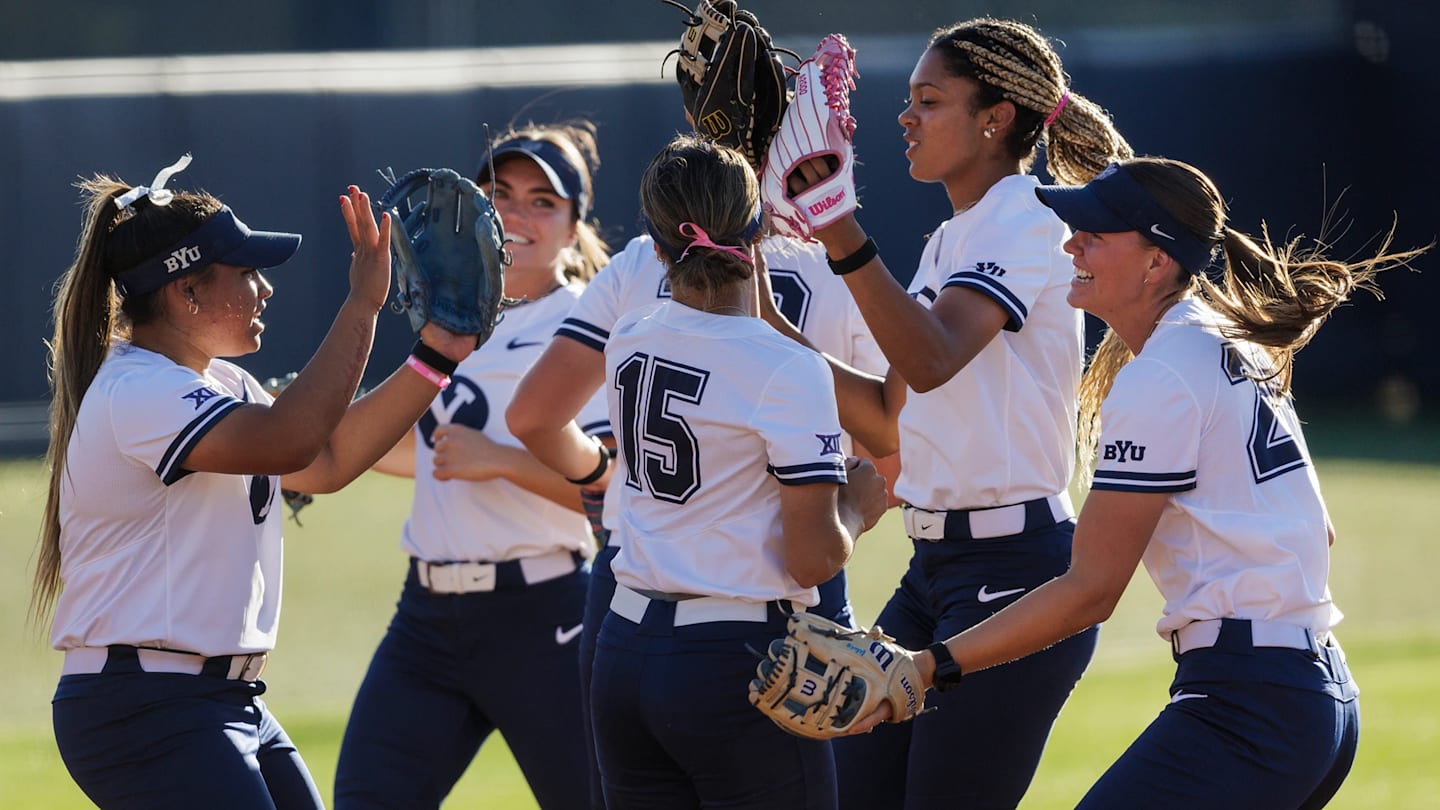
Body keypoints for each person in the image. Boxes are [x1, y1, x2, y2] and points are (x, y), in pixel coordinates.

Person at [852, 155, 1423, 809]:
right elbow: (1319, 528)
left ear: (1158, 262)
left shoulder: (1163, 373)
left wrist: (930, 665)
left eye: (1096, 232)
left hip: (1252, 706)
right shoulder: (1225, 340)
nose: (1072, 243)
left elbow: (1090, 590)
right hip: (1310, 692)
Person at [33, 155, 477, 809]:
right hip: (145, 708)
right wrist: (363, 305)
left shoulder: (220, 383)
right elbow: (291, 439)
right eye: (245, 273)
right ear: (185, 291)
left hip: (212, 698)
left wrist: (439, 353)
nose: (265, 289)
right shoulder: (138, 389)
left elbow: (322, 463)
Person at [769, 17, 1133, 809]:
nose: (905, 118)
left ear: (995, 118)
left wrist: (838, 230)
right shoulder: (951, 240)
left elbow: (931, 362)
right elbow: (889, 422)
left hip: (1015, 572)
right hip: (936, 570)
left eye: (929, 101)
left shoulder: (1027, 215)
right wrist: (764, 322)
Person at [575, 133, 886, 808]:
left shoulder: (631, 332)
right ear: (762, 230)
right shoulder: (785, 368)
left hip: (623, 647)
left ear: (657, 248)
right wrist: (859, 507)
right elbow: (811, 559)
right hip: (734, 658)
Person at [332, 123, 611, 810]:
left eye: (543, 201)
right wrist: (313, 444)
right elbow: (432, 455)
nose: (516, 213)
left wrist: (504, 462)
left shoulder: (588, 325)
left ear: (575, 228)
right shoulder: (454, 313)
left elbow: (619, 495)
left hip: (544, 613)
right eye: (500, 192)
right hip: (425, 618)